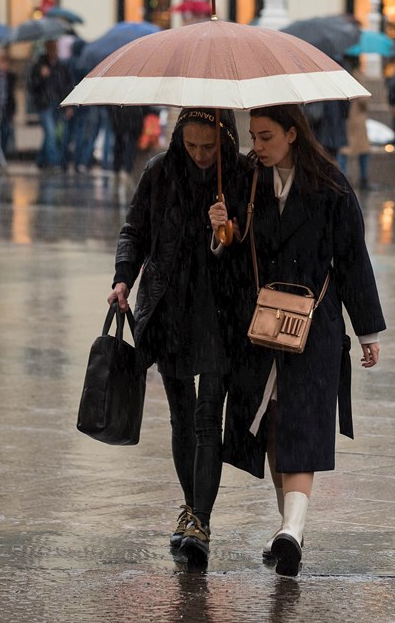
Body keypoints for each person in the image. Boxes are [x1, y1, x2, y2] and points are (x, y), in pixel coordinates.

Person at [221, 104, 385, 577]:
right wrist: (223, 232)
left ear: (293, 134)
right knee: (273, 428)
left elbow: (353, 259)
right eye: (253, 136)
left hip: (315, 326)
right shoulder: (246, 180)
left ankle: (292, 529)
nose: (258, 146)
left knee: (302, 425)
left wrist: (367, 330)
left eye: (267, 136)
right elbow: (232, 251)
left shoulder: (331, 185)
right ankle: (288, 530)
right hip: (260, 326)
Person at [107, 107, 249, 566]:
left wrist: (225, 231)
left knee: (210, 416)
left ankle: (200, 521)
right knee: (181, 415)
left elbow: (253, 243)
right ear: (179, 140)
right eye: (191, 146)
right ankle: (191, 508)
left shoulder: (242, 173)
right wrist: (123, 278)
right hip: (170, 307)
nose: (201, 155)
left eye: (209, 146)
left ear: (224, 138)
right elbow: (135, 231)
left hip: (221, 308)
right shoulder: (159, 171)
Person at [27, 39, 74, 171]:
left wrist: (68, 105)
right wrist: (41, 76)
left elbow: (66, 85)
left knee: (54, 134)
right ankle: (55, 162)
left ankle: (41, 160)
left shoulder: (61, 66)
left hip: (57, 104)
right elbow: (32, 86)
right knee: (51, 133)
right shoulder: (39, 66)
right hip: (44, 104)